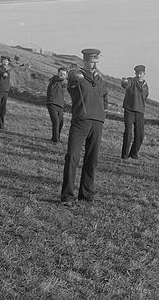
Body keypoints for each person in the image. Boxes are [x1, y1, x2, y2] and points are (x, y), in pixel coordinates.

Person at [61, 48, 108, 205]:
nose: (94, 64)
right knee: (72, 157)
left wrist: (101, 112)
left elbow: (104, 97)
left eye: (96, 61)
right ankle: (68, 195)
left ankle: (86, 193)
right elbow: (70, 86)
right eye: (91, 61)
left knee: (92, 159)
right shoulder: (77, 76)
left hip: (97, 122)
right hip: (81, 120)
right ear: (85, 61)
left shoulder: (100, 79)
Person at [120, 64, 148, 159]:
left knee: (140, 135)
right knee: (128, 133)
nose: (138, 75)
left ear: (144, 73)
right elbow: (126, 84)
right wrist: (124, 82)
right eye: (137, 73)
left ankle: (133, 154)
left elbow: (145, 97)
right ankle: (124, 155)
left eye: (140, 73)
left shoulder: (145, 85)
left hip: (140, 111)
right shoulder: (131, 81)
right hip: (129, 110)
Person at [46, 67, 68, 143]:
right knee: (56, 122)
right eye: (61, 73)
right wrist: (63, 78)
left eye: (64, 74)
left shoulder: (63, 84)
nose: (62, 75)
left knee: (60, 123)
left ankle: (55, 138)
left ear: (66, 75)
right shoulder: (54, 79)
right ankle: (56, 140)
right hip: (52, 103)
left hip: (60, 106)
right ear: (58, 73)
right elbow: (59, 78)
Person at [0, 55, 12, 130]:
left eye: (7, 61)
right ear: (1, 61)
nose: (5, 62)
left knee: (3, 109)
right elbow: (4, 74)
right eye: (4, 61)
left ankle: (1, 125)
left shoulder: (6, 69)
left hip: (5, 91)